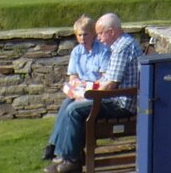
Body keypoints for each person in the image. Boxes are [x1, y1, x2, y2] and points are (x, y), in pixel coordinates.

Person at [45, 12, 141, 173]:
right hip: (116, 97)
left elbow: (110, 85)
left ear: (111, 32)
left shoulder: (122, 49)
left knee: (74, 109)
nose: (99, 39)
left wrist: (86, 95)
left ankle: (72, 160)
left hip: (122, 103)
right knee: (70, 102)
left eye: (101, 34)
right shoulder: (120, 45)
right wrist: (86, 91)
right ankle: (65, 155)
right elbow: (108, 81)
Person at [43, 15, 110, 162]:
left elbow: (105, 78)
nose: (82, 38)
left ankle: (60, 151)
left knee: (72, 107)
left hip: (96, 93)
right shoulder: (76, 52)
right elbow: (72, 76)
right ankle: (54, 145)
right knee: (67, 103)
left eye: (85, 34)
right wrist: (77, 88)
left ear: (93, 34)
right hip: (81, 91)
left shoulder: (103, 51)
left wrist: (86, 88)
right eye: (79, 35)